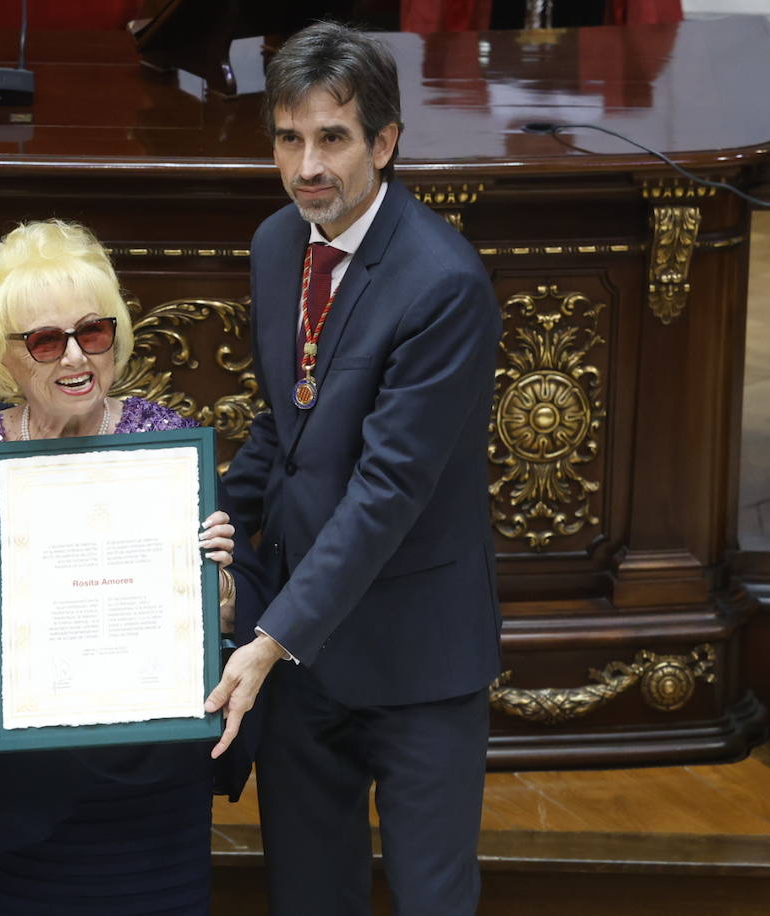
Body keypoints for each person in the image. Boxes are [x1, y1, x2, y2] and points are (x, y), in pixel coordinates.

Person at [203, 22, 503, 916]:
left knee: (429, 899)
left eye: (332, 138)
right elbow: (287, 428)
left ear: (385, 141)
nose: (307, 167)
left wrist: (268, 638)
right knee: (308, 894)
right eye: (289, 138)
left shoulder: (442, 283)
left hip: (417, 659)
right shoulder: (273, 245)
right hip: (305, 661)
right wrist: (190, 518)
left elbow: (388, 490)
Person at [0, 219, 266, 916]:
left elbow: (241, 599)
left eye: (91, 332)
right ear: (6, 357)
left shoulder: (165, 444)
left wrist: (219, 590)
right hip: (20, 792)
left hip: (152, 788)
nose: (74, 356)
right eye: (45, 339)